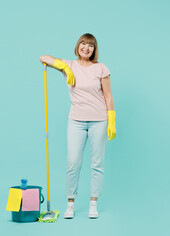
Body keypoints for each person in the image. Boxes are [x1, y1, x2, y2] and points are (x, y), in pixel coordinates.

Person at [40, 33, 116, 219]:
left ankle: (93, 203)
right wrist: (64, 66)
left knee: (97, 163)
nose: (86, 47)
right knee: (73, 162)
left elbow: (108, 95)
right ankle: (70, 203)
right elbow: (43, 58)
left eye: (90, 45)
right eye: (83, 43)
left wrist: (111, 120)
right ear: (78, 46)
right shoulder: (70, 66)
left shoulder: (101, 68)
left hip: (99, 120)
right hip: (76, 121)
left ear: (94, 50)